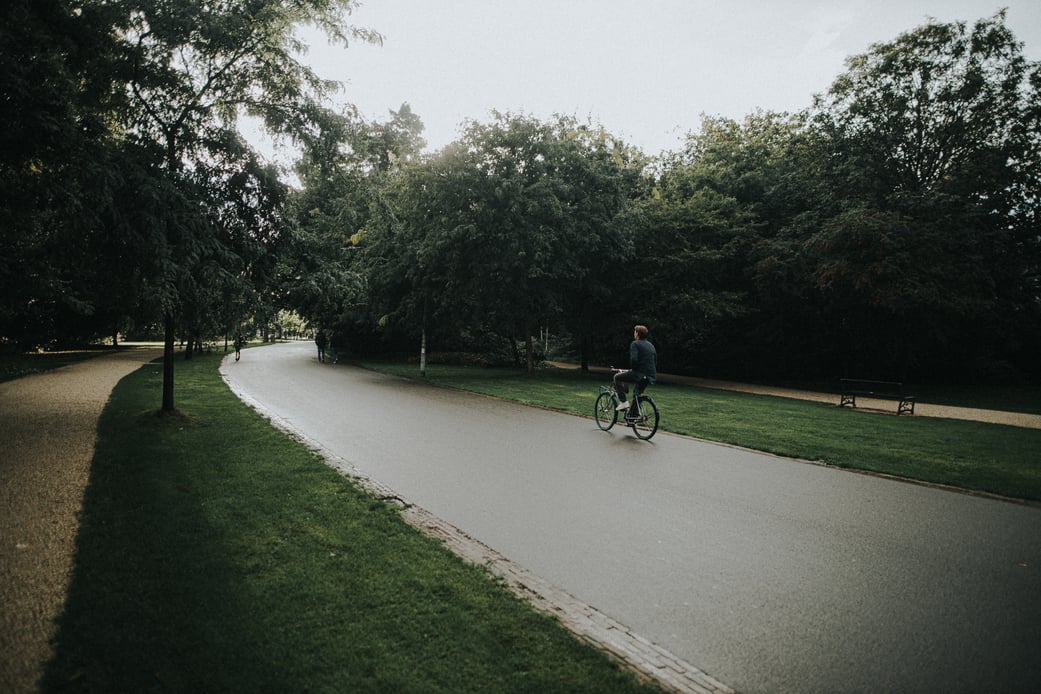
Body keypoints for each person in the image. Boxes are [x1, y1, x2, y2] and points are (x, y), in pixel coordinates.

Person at [614, 324, 657, 412]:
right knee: (636, 394)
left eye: (635, 332)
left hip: (639, 374)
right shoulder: (651, 345)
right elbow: (655, 361)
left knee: (617, 377)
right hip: (650, 376)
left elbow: (634, 359)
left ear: (637, 334)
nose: (634, 333)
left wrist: (633, 369)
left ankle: (623, 402)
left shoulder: (635, 343)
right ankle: (633, 417)